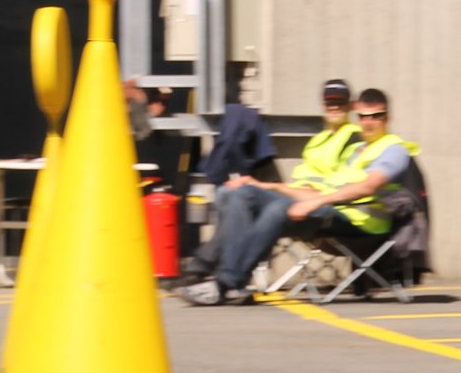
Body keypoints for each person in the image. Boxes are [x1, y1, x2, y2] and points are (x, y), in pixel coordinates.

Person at [178, 88, 417, 305]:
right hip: (331, 209)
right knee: (239, 193)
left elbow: (367, 187)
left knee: (277, 210)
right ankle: (223, 278)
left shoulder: (393, 149)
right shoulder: (354, 151)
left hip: (361, 223)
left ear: (388, 117)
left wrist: (315, 202)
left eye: (376, 116)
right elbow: (322, 190)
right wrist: (262, 185)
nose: (369, 122)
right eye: (363, 116)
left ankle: (226, 283)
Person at [179, 79, 358, 281]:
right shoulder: (319, 140)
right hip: (298, 198)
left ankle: (218, 272)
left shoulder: (354, 139)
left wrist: (267, 186)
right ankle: (214, 269)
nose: (334, 107)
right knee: (227, 193)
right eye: (329, 102)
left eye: (340, 102)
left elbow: (331, 193)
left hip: (322, 208)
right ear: (322, 104)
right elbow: (300, 185)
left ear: (351, 105)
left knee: (246, 197)